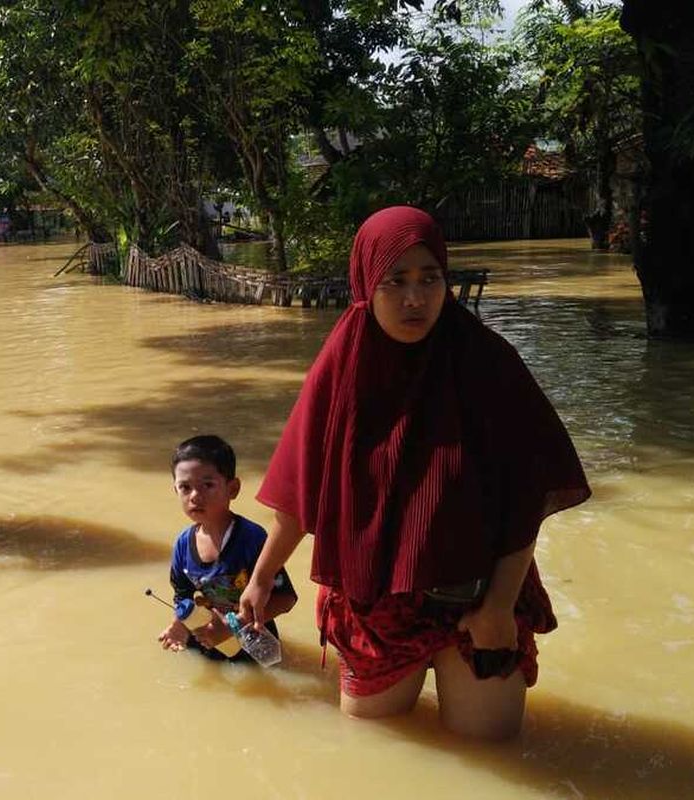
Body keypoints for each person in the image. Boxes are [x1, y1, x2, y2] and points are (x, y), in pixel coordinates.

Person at [237, 206, 591, 739]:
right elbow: (300, 497)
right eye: (395, 281)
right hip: (373, 608)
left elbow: (527, 498)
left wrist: (497, 607)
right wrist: (261, 580)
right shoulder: (341, 370)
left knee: (490, 759)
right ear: (365, 286)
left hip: (478, 601)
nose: (415, 298)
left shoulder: (488, 364)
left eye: (431, 279)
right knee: (374, 751)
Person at [158, 435, 297, 662]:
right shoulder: (183, 544)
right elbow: (183, 597)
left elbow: (285, 599)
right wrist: (180, 625)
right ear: (175, 491)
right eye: (185, 487)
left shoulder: (252, 538)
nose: (195, 496)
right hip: (208, 637)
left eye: (207, 485)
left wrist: (235, 625)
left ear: (233, 489)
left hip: (255, 643)